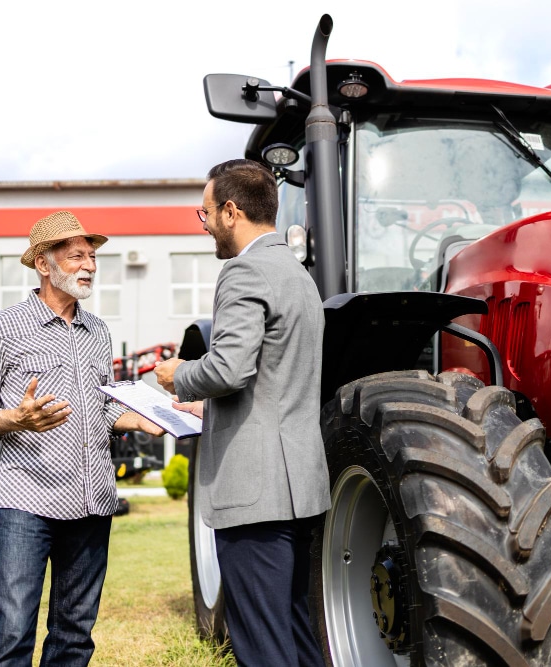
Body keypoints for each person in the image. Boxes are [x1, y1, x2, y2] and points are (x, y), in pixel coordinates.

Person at [0, 210, 163, 667]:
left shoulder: (98, 333)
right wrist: (16, 419)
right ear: (44, 265)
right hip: (28, 501)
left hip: (92, 503)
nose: (89, 265)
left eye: (92, 257)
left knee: (75, 635)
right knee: (11, 634)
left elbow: (102, 405)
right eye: (76, 257)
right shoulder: (2, 328)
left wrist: (140, 419)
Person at [155, 159, 329, 666]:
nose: (204, 224)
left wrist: (178, 375)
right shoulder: (298, 276)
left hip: (253, 496)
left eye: (205, 212)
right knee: (299, 637)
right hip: (299, 488)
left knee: (260, 646)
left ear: (231, 212)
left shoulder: (243, 271)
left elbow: (230, 369)